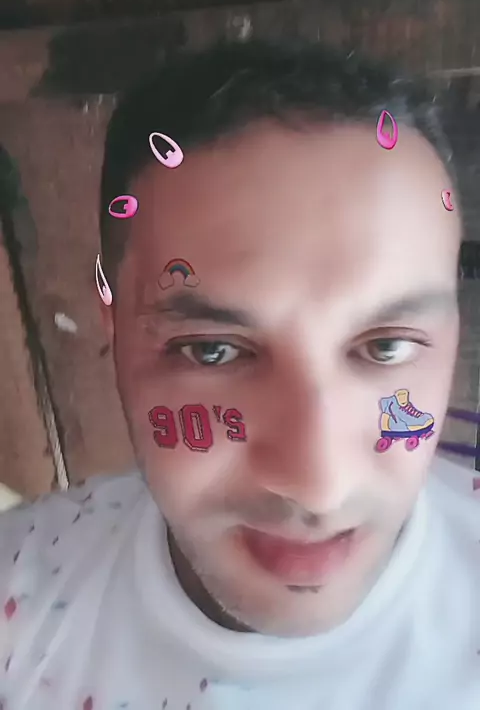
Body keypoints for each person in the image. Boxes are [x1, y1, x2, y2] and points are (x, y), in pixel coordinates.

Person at [1, 39, 479, 710]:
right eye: (212, 352)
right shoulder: (16, 591)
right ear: (112, 323)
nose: (318, 486)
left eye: (388, 346)